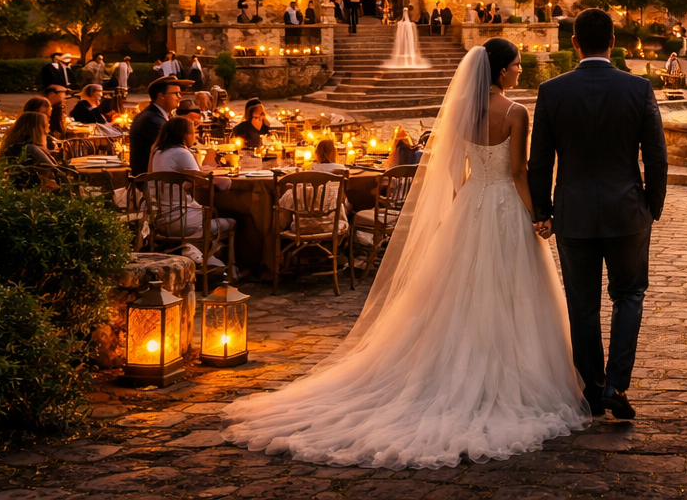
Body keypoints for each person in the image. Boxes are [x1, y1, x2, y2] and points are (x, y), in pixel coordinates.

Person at [226, 36, 590, 464]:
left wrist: (462, 208)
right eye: (515, 65)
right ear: (501, 70)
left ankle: (452, 363)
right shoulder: (514, 112)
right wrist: (537, 216)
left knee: (460, 290)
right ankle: (508, 375)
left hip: (471, 201)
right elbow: (517, 171)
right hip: (505, 204)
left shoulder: (464, 114)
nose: (520, 70)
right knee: (511, 288)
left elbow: (457, 172)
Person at [529, 8, 668, 421]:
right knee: (629, 295)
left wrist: (544, 211)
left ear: (573, 44)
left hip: (573, 214)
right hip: (627, 211)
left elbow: (539, 161)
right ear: (613, 42)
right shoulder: (638, 88)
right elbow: (656, 156)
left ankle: (591, 387)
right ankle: (616, 384)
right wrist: (652, 206)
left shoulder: (552, 91)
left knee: (582, 305)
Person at [0, 112, 75, 190]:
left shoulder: (13, 146)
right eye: (45, 126)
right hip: (33, 193)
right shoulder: (31, 149)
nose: (47, 130)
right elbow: (55, 169)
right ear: (36, 129)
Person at [128, 77, 181, 175]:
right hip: (150, 182)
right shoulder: (152, 119)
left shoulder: (153, 115)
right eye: (176, 93)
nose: (180, 97)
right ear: (161, 95)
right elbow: (175, 148)